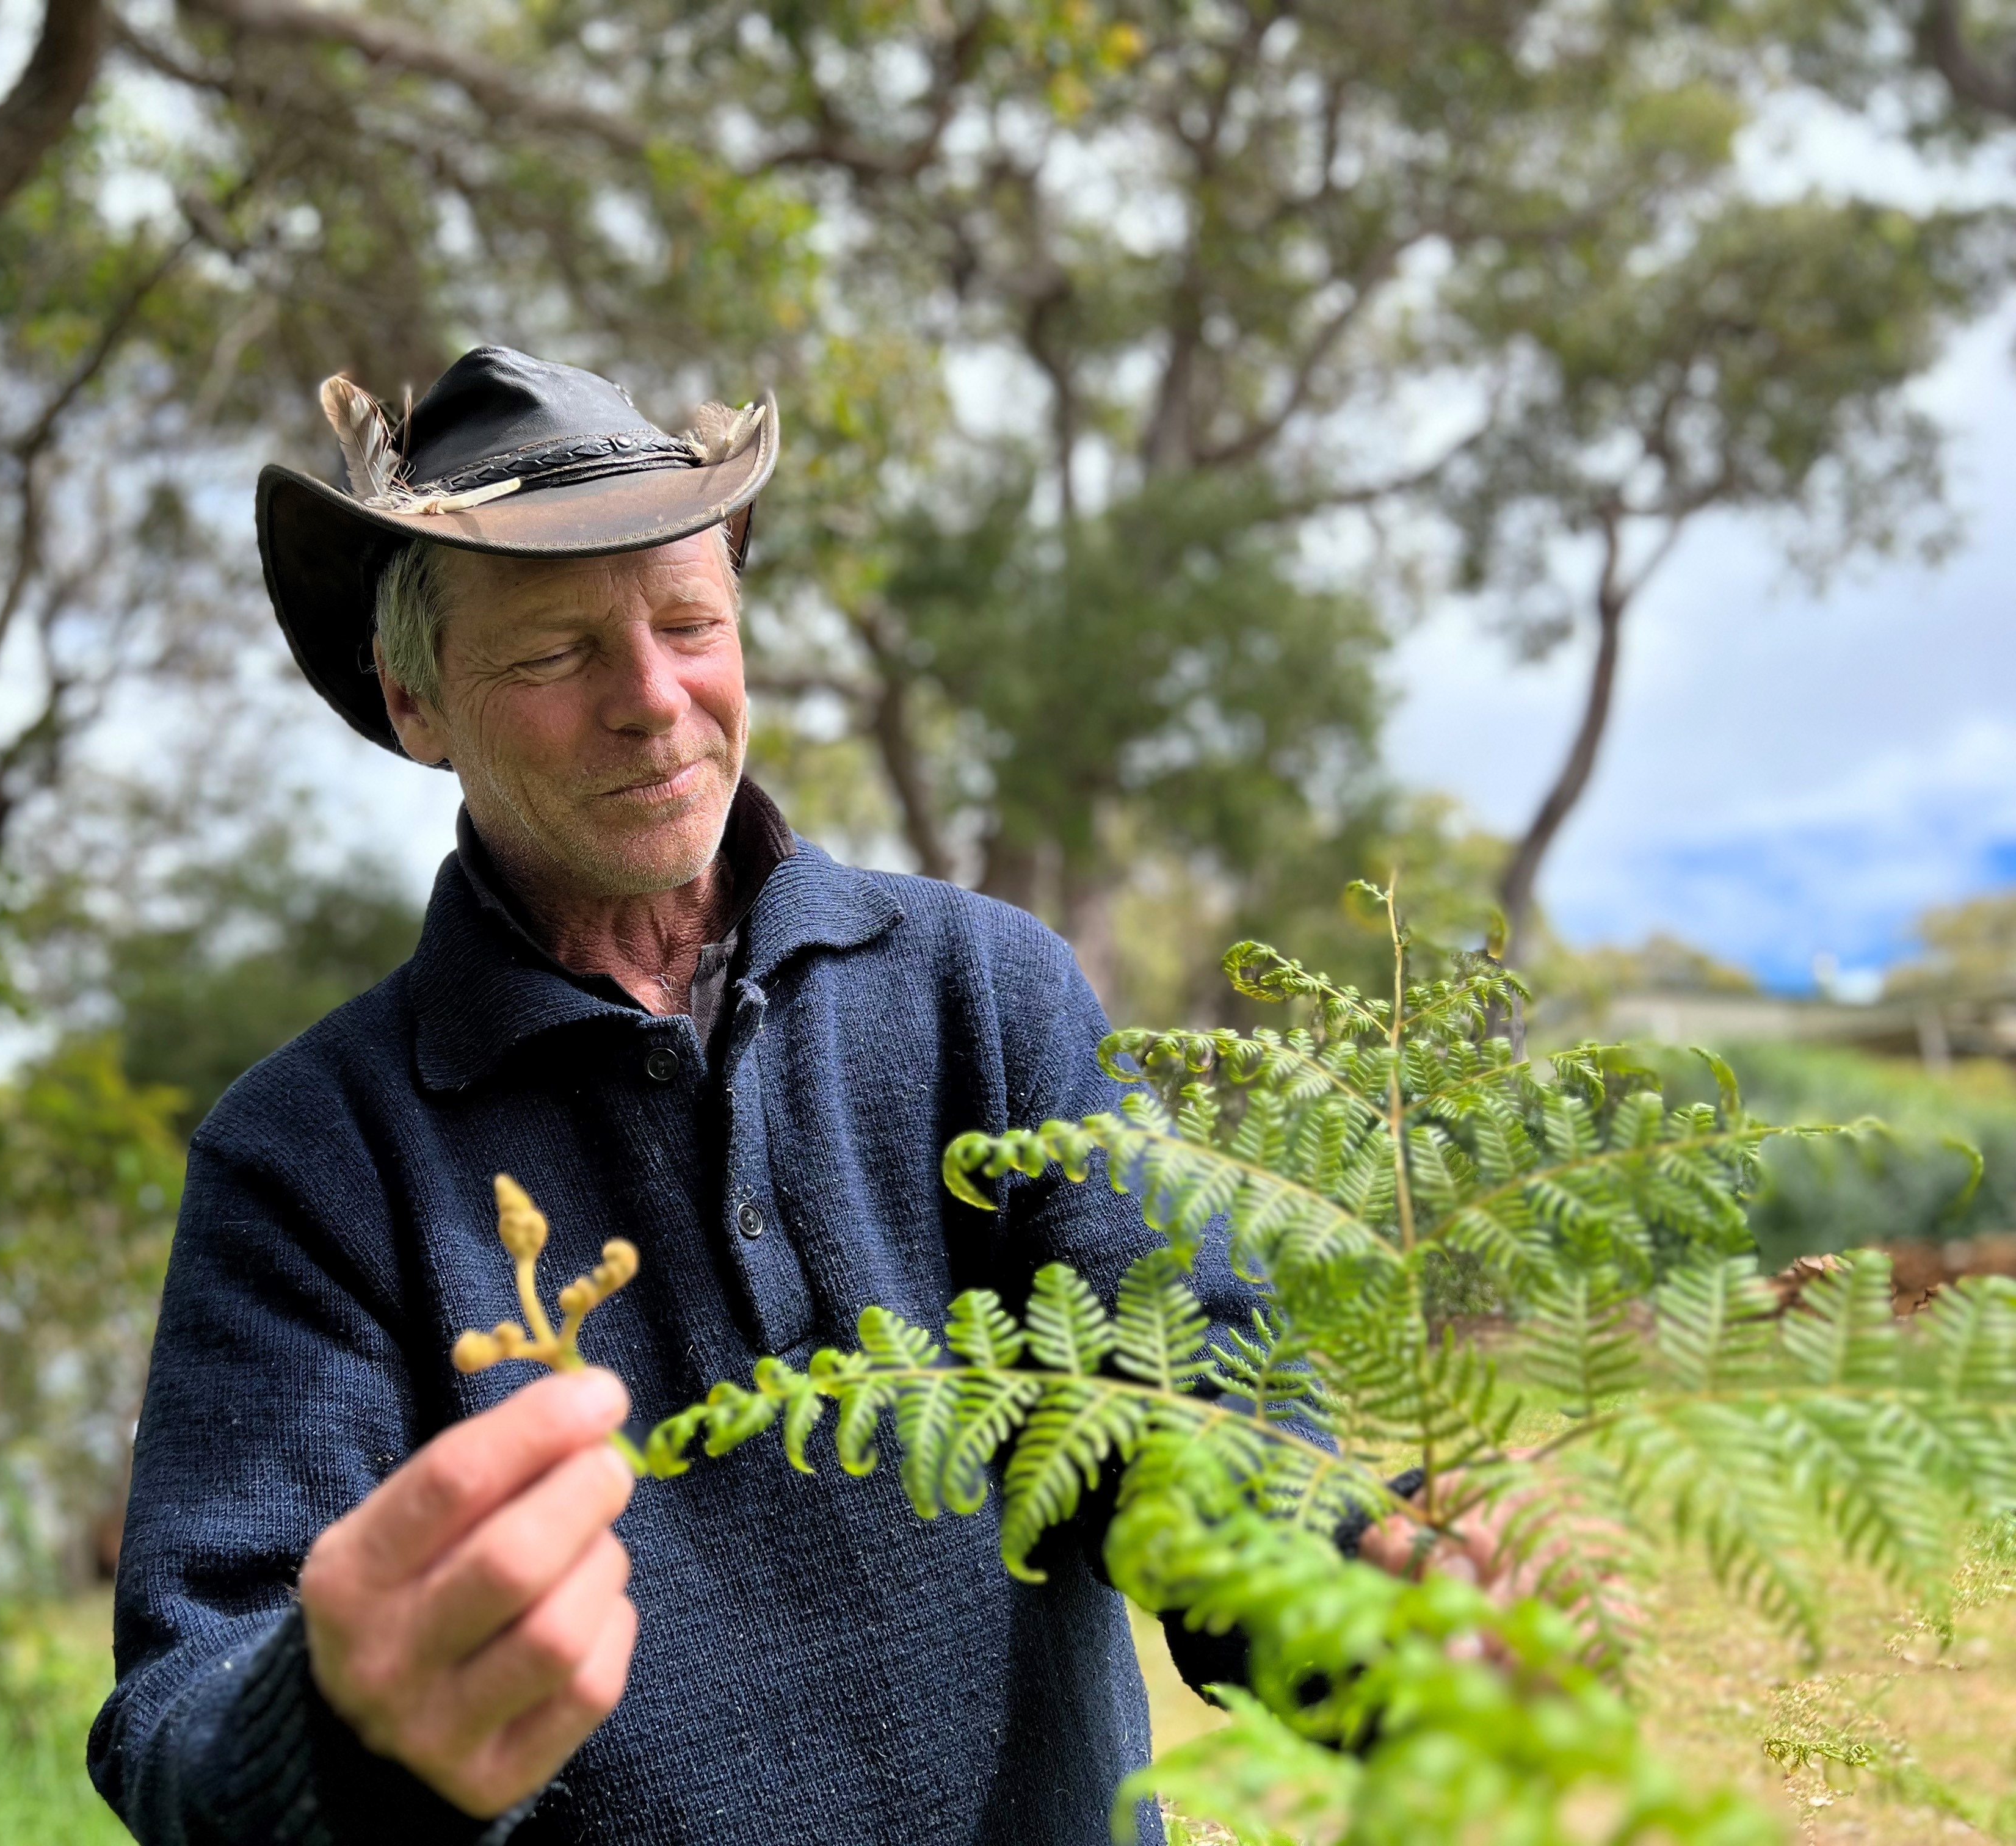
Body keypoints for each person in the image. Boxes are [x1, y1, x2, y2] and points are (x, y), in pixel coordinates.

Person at [86, 347, 1471, 1846]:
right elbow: (188, 1716)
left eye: (690, 623)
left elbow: (1184, 1423)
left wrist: (1379, 1590)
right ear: (416, 702)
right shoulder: (310, 1157)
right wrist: (341, 1738)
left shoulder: (981, 994)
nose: (653, 699)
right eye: (554, 655)